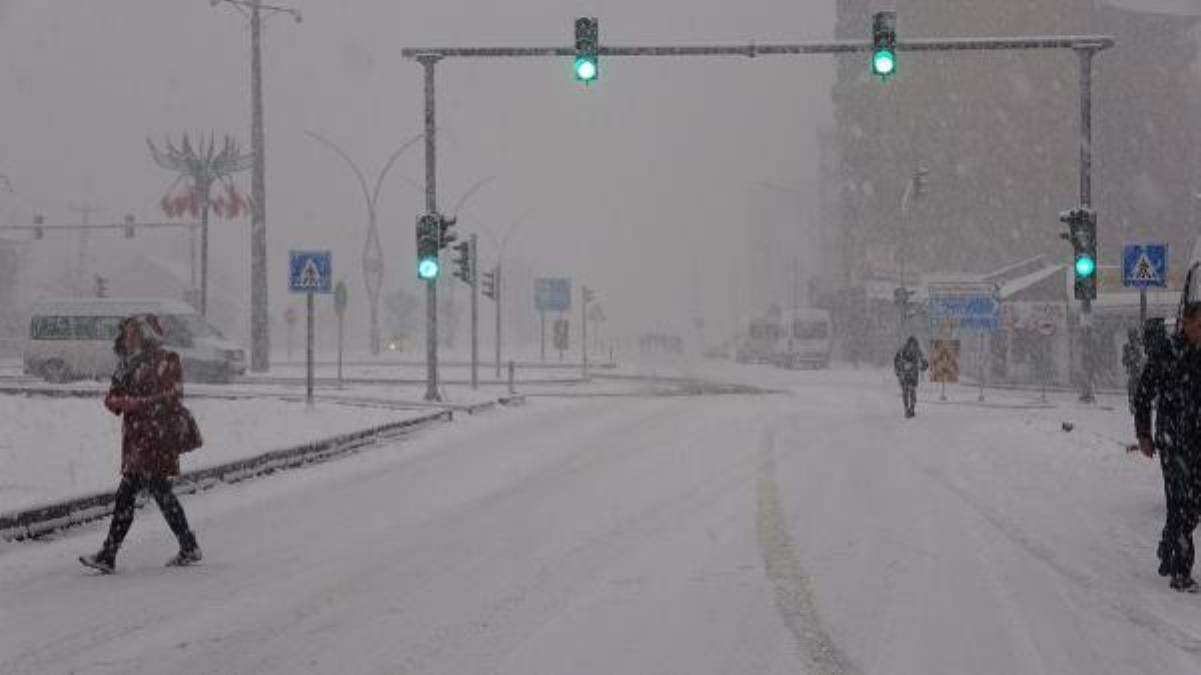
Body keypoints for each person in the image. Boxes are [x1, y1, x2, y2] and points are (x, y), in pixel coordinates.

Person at [80, 314, 201, 573]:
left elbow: (173, 395)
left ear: (147, 334)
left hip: (157, 437)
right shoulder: (126, 363)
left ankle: (109, 553)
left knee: (131, 494)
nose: (129, 337)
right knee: (158, 492)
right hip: (136, 438)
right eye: (127, 333)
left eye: (134, 332)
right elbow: (111, 398)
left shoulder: (167, 359)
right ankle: (187, 545)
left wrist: (138, 403)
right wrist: (119, 402)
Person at [1135, 272, 1201, 593]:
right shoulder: (1167, 353)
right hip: (1173, 442)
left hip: (1199, 443)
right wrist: (1144, 434)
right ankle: (1179, 571)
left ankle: (1168, 543)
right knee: (1179, 504)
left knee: (1194, 506)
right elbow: (1143, 393)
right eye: (1199, 325)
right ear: (1186, 323)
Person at [894, 336, 929, 419]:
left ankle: (912, 408)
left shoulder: (918, 350)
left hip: (913, 373)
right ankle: (906, 408)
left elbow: (924, 360)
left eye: (914, 345)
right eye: (911, 345)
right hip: (904, 373)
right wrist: (898, 371)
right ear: (908, 344)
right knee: (905, 391)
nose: (912, 348)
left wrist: (924, 365)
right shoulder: (902, 350)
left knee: (912, 391)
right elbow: (896, 360)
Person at [1122, 326, 1145, 416]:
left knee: (1136, 389)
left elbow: (1143, 357)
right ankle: (1133, 404)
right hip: (1133, 371)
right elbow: (1124, 360)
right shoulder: (1127, 347)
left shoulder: (1140, 345)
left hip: (1138, 371)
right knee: (1132, 389)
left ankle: (1136, 404)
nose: (1131, 338)